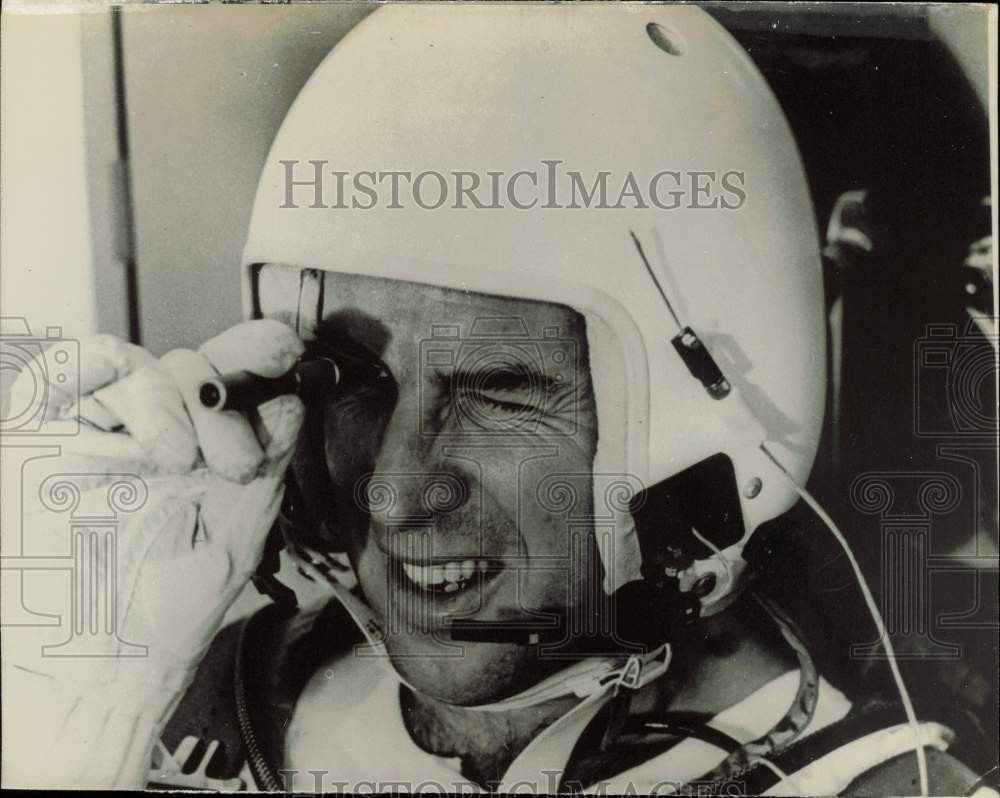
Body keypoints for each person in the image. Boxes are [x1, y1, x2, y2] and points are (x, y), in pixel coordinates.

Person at [3, 5, 994, 794]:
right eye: (353, 381)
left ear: (710, 426)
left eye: (494, 390)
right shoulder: (216, 691)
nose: (392, 493)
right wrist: (85, 724)